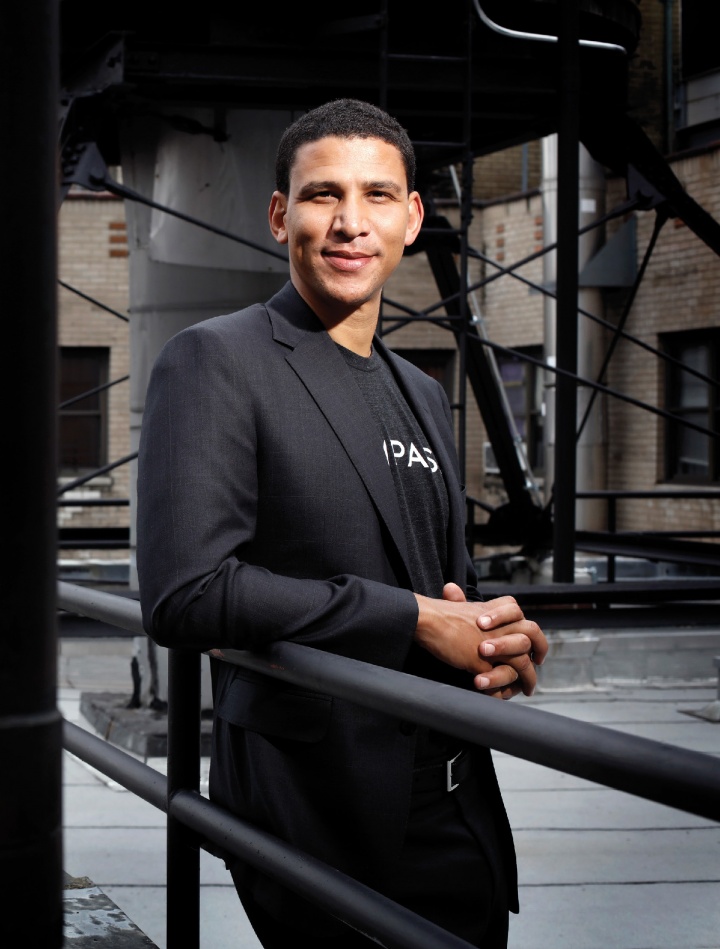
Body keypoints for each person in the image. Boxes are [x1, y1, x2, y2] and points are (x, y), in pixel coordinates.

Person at [136, 98, 548, 948]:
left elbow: (444, 585)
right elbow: (187, 592)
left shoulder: (424, 393)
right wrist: (411, 618)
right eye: (324, 195)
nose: (350, 224)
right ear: (282, 213)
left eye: (378, 196)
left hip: (455, 799)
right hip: (315, 806)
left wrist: (497, 637)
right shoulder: (217, 359)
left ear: (412, 217)